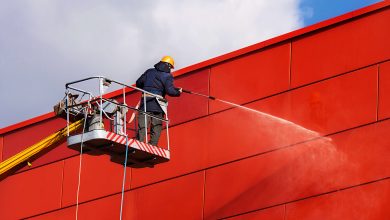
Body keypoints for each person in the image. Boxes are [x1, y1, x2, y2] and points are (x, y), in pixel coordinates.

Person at [136, 56, 182, 146]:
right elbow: (170, 91)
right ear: (168, 65)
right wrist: (178, 92)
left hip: (145, 102)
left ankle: (139, 143)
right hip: (158, 105)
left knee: (143, 126)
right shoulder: (167, 76)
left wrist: (148, 89)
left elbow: (138, 83)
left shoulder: (149, 71)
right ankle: (153, 145)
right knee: (156, 126)